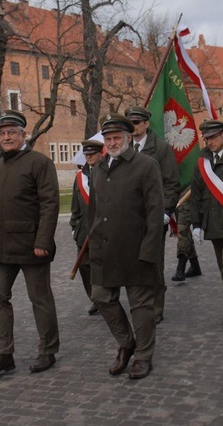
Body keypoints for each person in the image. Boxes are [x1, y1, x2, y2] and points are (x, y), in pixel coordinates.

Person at [0, 110, 60, 378]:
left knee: (40, 298)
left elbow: (50, 204)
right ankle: (4, 354)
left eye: (12, 132)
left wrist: (43, 240)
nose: (7, 137)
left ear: (24, 134)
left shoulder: (39, 162)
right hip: (2, 247)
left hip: (32, 244)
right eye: (2, 133)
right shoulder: (0, 164)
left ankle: (48, 350)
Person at [88, 113, 164, 379]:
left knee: (140, 305)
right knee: (100, 297)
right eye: (107, 138)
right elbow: (95, 211)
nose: (111, 142)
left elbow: (155, 212)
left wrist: (150, 250)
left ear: (128, 138)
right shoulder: (98, 169)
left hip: (136, 247)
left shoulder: (146, 165)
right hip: (105, 249)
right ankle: (126, 343)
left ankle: (143, 355)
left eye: (116, 137)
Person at [124, 106, 179, 324]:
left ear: (146, 124)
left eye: (137, 123)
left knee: (153, 263)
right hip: (129, 218)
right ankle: (139, 304)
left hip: (154, 216)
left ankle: (156, 307)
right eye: (130, 123)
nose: (134, 127)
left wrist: (166, 211)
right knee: (132, 262)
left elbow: (172, 183)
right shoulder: (123, 147)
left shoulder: (161, 149)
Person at [189, 120, 223, 333]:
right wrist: (196, 224)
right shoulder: (202, 160)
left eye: (213, 137)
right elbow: (196, 193)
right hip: (213, 223)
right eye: (206, 138)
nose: (209, 141)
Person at [69, 139, 104, 315]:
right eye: (87, 155)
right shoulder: (79, 177)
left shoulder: (107, 172)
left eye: (92, 154)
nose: (89, 157)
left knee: (103, 264)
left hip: (103, 227)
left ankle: (104, 296)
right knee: (84, 265)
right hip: (84, 229)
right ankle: (95, 298)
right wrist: (74, 225)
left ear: (100, 154)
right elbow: (75, 205)